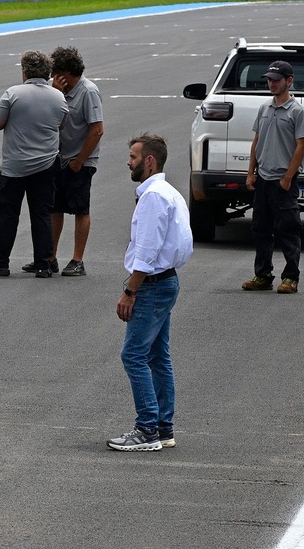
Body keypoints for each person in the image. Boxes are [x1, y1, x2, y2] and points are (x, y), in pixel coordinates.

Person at [108, 134, 193, 452]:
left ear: (149, 161)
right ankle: (162, 428)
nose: (128, 162)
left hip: (152, 285)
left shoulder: (154, 197)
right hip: (166, 281)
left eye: (132, 156)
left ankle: (146, 430)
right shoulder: (167, 192)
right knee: (158, 356)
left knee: (133, 355)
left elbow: (146, 249)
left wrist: (130, 290)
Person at [0, 51, 69, 278]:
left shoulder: (13, 93)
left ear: (25, 72)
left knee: (7, 214)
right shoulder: (58, 96)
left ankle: (0, 262)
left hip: (14, 165)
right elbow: (63, 125)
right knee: (42, 215)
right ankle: (43, 264)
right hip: (46, 164)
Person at [23, 46, 103, 277]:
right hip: (57, 157)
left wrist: (79, 160)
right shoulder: (57, 91)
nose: (51, 79)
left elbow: (97, 130)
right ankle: (50, 256)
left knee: (80, 208)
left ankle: (78, 260)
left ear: (65, 73)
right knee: (54, 208)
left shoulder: (88, 92)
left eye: (55, 73)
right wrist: (55, 94)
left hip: (80, 160)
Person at [241, 60, 304, 294]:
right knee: (260, 228)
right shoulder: (264, 109)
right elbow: (257, 141)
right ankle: (263, 275)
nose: (272, 84)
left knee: (288, 229)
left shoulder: (297, 111)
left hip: (283, 181)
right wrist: (251, 172)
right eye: (269, 79)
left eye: (277, 80)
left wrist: (288, 177)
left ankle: (291, 277)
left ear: (289, 81)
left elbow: (301, 146)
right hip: (263, 179)